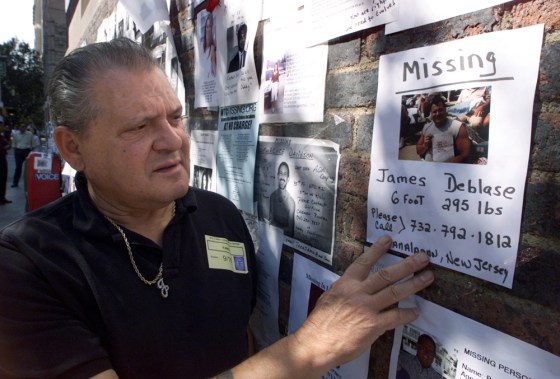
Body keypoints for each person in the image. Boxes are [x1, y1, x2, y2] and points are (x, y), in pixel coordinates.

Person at [0, 38, 434, 379]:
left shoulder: (221, 218)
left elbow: (238, 340)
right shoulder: (27, 263)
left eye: (174, 117)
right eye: (138, 126)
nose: (172, 140)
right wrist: (308, 349)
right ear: (72, 148)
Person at [416, 95, 471, 163]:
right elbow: (418, 151)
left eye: (440, 110)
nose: (438, 114)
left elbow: (465, 154)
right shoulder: (427, 127)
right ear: (431, 113)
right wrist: (425, 146)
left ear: (445, 110)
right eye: (434, 111)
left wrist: (449, 165)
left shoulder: (457, 127)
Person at [269, 161, 295, 237]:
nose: (282, 177)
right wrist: (283, 228)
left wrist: (275, 225)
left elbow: (290, 231)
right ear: (277, 176)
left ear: (288, 178)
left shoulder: (291, 203)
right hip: (273, 237)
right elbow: (270, 221)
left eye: (285, 174)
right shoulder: (272, 197)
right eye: (280, 173)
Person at [11, 122, 34, 187]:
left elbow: (33, 143)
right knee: (18, 167)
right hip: (18, 151)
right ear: (19, 127)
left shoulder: (30, 134)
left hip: (27, 151)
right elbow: (14, 143)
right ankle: (15, 183)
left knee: (29, 168)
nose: (23, 128)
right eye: (21, 126)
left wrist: (31, 151)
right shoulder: (15, 134)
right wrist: (15, 151)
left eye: (24, 126)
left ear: (26, 127)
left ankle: (30, 183)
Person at [201, 12, 216, 78]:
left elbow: (214, 67)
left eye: (210, 26)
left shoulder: (212, 48)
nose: (208, 29)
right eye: (207, 27)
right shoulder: (201, 45)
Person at [0, 121, 11, 204]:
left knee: (3, 178)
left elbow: (7, 144)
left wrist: (6, 146)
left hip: (3, 158)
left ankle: (2, 197)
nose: (3, 128)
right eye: (1, 126)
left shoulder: (2, 136)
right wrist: (5, 147)